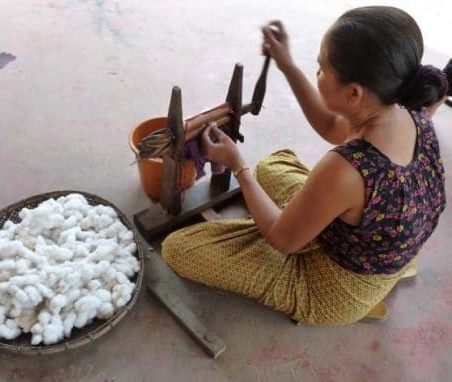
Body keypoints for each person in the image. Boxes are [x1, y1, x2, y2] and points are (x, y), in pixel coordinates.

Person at [162, 6, 449, 325]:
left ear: (354, 93)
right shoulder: (407, 113)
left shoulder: (346, 168)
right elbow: (329, 125)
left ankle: (357, 295)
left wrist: (237, 164)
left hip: (336, 289)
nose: (318, 74)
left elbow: (282, 241)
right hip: (382, 241)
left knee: (178, 249)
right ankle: (366, 255)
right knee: (274, 164)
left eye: (322, 70)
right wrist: (286, 65)